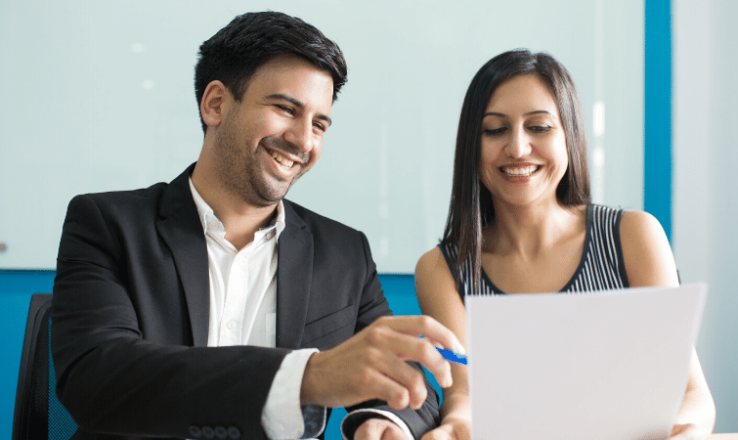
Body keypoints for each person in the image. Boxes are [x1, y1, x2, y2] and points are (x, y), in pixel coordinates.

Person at [51, 11, 464, 440]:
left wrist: (383, 419)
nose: (304, 141)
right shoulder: (108, 225)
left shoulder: (344, 253)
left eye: (319, 124)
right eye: (287, 109)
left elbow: (403, 382)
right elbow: (96, 378)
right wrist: (308, 378)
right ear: (215, 104)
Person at [414, 49, 716, 440]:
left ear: (569, 136)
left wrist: (688, 430)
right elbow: (466, 395)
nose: (518, 148)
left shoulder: (634, 237)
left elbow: (691, 394)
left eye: (538, 127)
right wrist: (454, 428)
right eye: (495, 130)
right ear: (472, 144)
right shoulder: (442, 270)